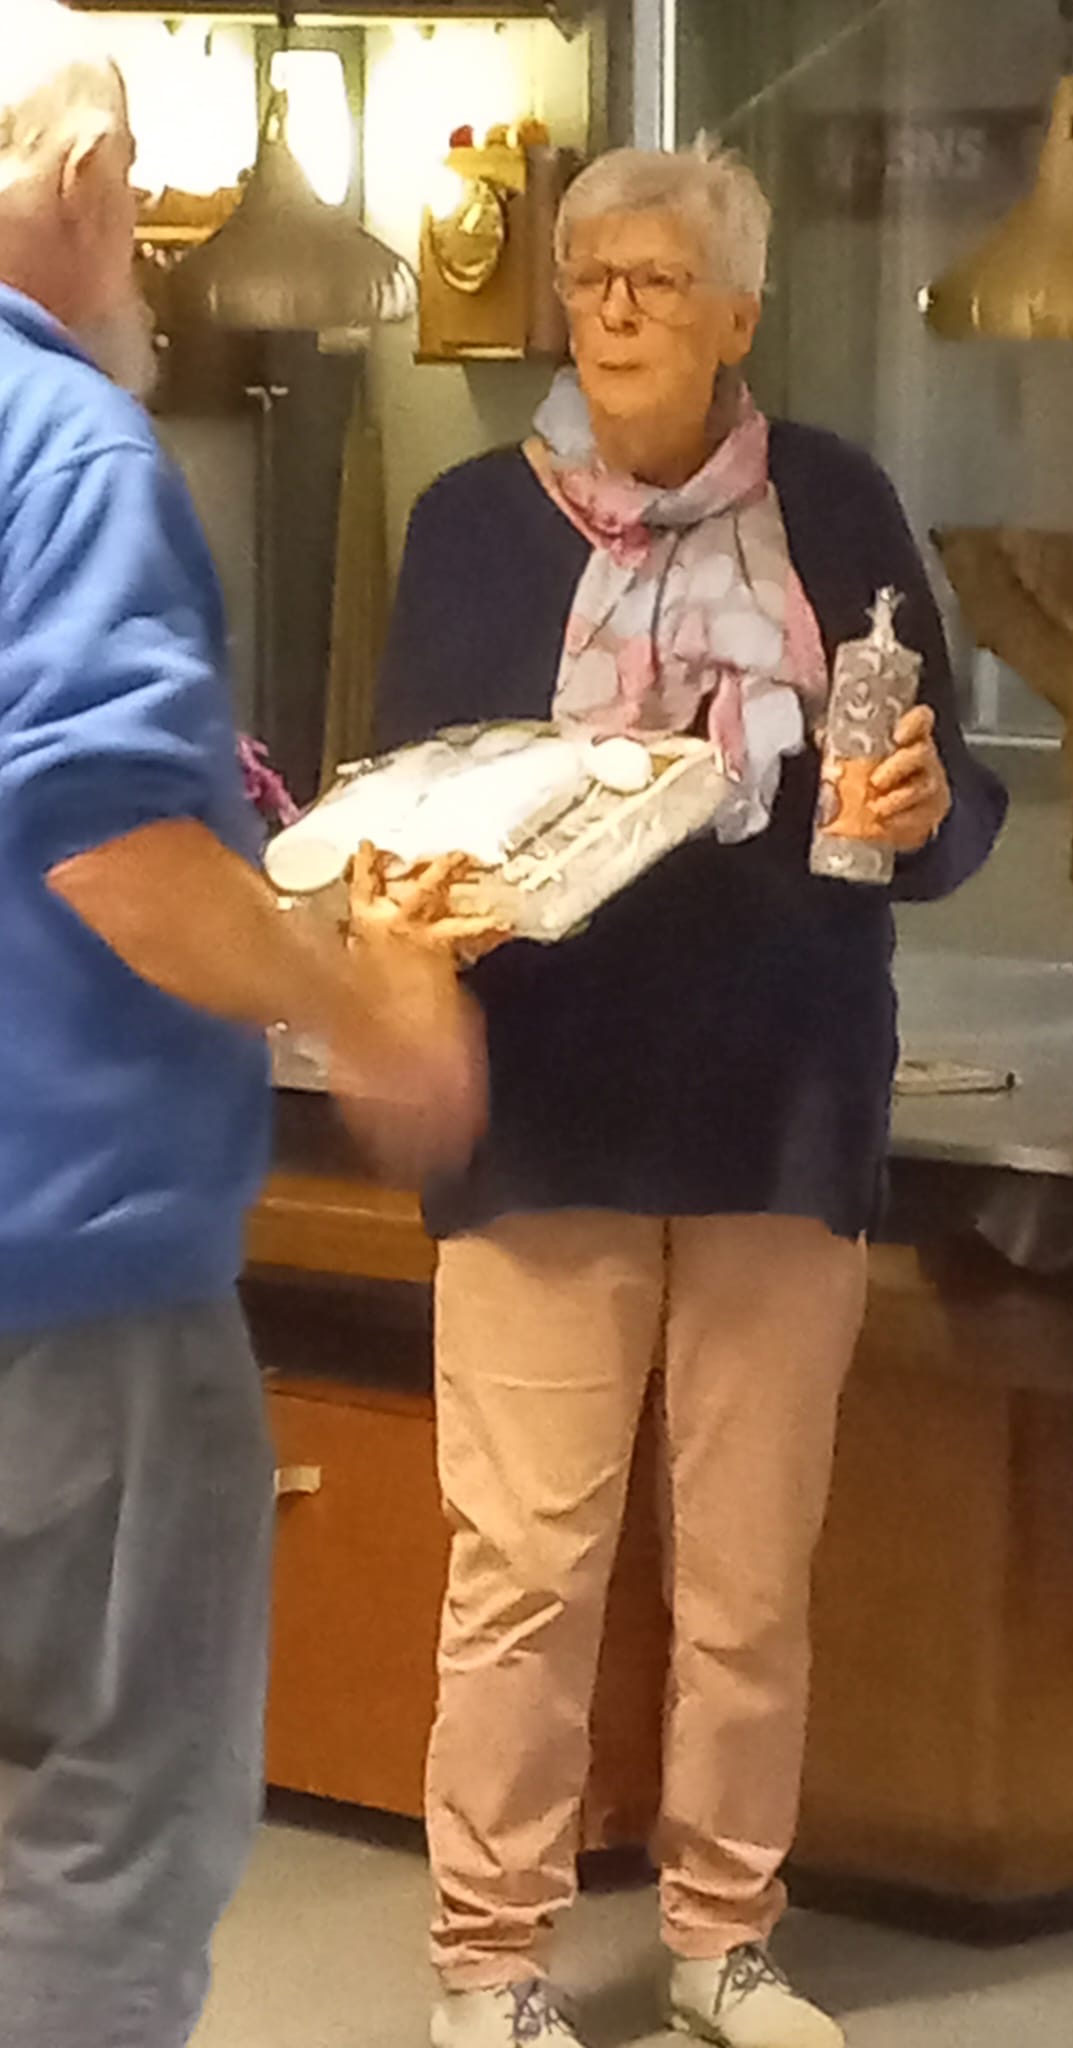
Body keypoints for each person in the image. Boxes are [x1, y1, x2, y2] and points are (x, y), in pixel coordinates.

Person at [377, 143, 1007, 2048]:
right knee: (525, 1569)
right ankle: (488, 1963)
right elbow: (403, 795)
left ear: (740, 313)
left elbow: (949, 804)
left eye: (658, 279)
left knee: (748, 1578)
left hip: (781, 1094)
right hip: (545, 1105)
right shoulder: (473, 523)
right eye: (590, 279)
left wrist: (920, 810)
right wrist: (415, 911)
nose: (617, 310)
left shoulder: (837, 502)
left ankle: (724, 1939)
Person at [0, 12, 486, 2048]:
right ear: (80, 183)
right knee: (111, 1826)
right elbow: (113, 846)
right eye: (136, 198)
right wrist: (361, 995)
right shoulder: (70, 451)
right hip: (70, 1291)